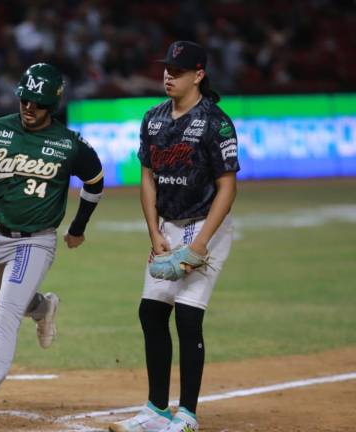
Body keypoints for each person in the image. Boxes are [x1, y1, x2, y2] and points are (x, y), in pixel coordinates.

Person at [0, 63, 104, 430]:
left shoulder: (69, 144)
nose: (28, 107)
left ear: (52, 105)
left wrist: (78, 227)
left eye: (37, 103)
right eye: (24, 99)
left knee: (5, 318)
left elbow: (95, 180)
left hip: (34, 242)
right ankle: (43, 307)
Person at [110, 41, 239, 432]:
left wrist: (199, 246)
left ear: (198, 75)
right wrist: (155, 234)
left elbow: (227, 188)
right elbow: (147, 178)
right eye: (167, 68)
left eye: (178, 70)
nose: (169, 75)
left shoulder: (215, 122)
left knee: (187, 315)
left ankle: (187, 414)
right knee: (151, 312)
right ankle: (155, 409)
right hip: (167, 226)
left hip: (206, 225)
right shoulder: (153, 118)